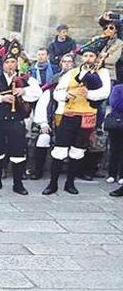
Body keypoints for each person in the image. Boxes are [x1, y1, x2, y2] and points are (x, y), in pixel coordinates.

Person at [43, 45, 111, 195]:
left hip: (87, 116)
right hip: (69, 115)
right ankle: (52, 184)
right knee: (60, 149)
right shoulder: (72, 73)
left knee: (78, 150)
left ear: (96, 58)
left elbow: (104, 92)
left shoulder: (103, 72)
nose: (88, 59)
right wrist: (68, 95)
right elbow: (57, 93)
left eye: (91, 56)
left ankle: (70, 183)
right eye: (85, 56)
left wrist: (88, 93)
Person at [0, 50, 42, 195]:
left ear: (17, 64)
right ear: (2, 64)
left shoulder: (25, 78)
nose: (10, 65)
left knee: (18, 151)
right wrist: (2, 99)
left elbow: (38, 93)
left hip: (16, 121)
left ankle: (18, 184)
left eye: (13, 62)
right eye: (7, 62)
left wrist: (24, 91)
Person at [31, 53, 75, 180]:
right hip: (53, 125)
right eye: (64, 61)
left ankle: (76, 172)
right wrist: (44, 123)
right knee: (43, 138)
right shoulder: (49, 93)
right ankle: (37, 170)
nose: (67, 64)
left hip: (71, 122)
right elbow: (41, 108)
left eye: (69, 61)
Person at [108, 82, 123, 193]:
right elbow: (115, 104)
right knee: (114, 149)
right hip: (117, 122)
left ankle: (121, 175)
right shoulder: (118, 88)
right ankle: (112, 174)